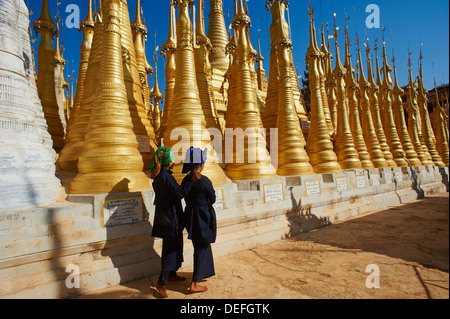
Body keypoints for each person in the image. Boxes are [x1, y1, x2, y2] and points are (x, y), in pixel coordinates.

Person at [150, 146, 201, 298]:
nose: (174, 161)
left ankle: (171, 274)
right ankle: (162, 282)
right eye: (171, 158)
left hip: (166, 217)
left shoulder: (159, 177)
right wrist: (191, 180)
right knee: (170, 250)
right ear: (168, 161)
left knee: (174, 245)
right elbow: (180, 194)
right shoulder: (166, 177)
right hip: (171, 219)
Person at [181, 147, 217, 293]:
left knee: (201, 244)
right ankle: (194, 283)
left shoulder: (186, 179)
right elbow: (213, 198)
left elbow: (184, 194)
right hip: (202, 216)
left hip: (190, 215)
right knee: (202, 246)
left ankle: (203, 272)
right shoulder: (204, 180)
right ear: (201, 164)